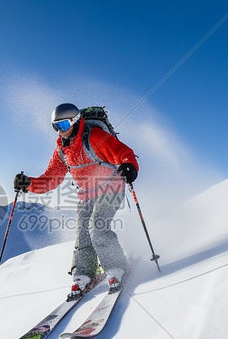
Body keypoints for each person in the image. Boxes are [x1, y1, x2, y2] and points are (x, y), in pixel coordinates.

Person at [14, 103, 139, 298]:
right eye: (56, 127)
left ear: (75, 121)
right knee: (83, 235)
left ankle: (117, 268)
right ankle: (83, 275)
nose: (60, 131)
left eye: (63, 125)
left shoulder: (95, 137)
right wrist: (28, 184)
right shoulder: (62, 151)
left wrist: (129, 166)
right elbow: (51, 178)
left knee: (97, 227)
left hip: (111, 187)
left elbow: (124, 153)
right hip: (87, 194)